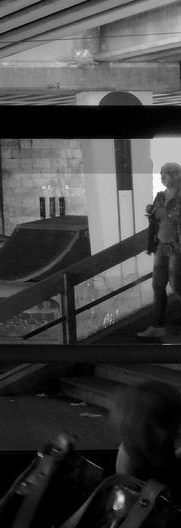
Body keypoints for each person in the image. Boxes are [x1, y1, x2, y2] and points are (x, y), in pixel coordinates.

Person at [139, 162, 181, 339]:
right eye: (162, 173)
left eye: (167, 173)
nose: (163, 177)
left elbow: (173, 216)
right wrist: (152, 212)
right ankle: (158, 325)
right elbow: (157, 218)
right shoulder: (160, 195)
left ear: (178, 175)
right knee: (158, 284)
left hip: (177, 246)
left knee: (177, 284)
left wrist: (168, 214)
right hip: (161, 245)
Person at [114, 379, 181, 487]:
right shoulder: (129, 453)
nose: (164, 434)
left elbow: (169, 468)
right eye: (161, 423)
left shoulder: (160, 442)